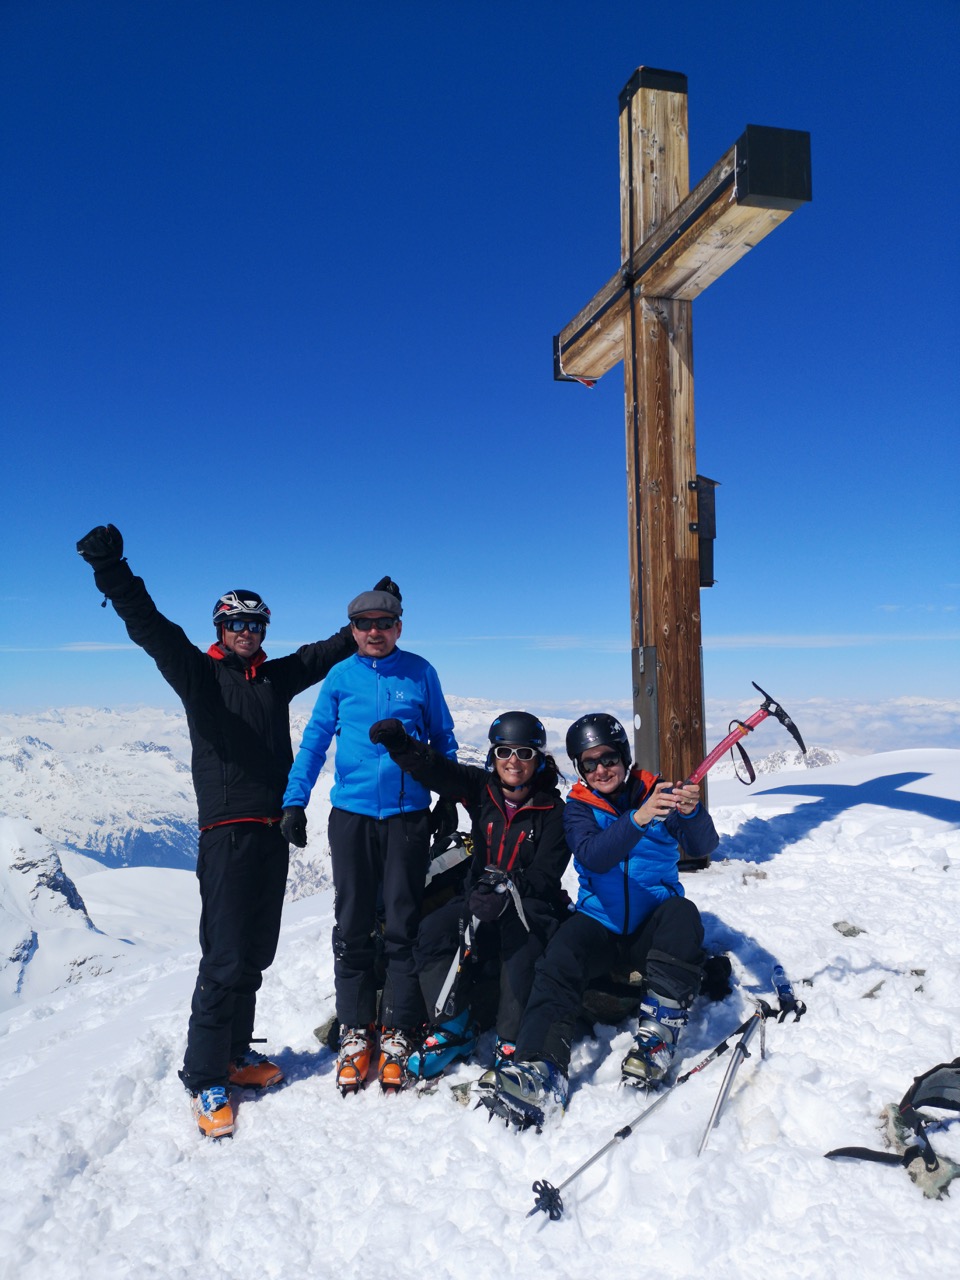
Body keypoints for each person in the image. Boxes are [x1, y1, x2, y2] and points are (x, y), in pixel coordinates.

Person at [75, 522, 387, 1139]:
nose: (247, 632)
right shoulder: (199, 675)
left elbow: (323, 653)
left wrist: (369, 616)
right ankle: (204, 1076)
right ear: (220, 629)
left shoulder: (272, 678)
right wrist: (112, 571)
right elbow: (150, 627)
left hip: (273, 832)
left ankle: (235, 1054)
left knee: (255, 954)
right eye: (236, 623)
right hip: (226, 834)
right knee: (223, 957)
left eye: (255, 624)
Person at [479, 712, 718, 1130]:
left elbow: (703, 844)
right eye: (589, 763)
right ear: (579, 768)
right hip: (599, 923)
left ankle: (656, 1041)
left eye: (608, 758)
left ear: (624, 757)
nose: (601, 769)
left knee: (683, 914)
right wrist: (639, 818)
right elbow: (594, 856)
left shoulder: (659, 793)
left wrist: (691, 811)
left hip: (651, 924)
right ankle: (539, 1066)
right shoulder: (578, 808)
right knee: (560, 955)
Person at [280, 585, 457, 1094]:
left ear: (399, 626)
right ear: (353, 630)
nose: (374, 631)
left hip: (407, 818)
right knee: (353, 925)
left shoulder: (420, 672)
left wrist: (448, 796)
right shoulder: (340, 676)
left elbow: (443, 738)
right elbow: (314, 742)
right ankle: (356, 1030)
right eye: (364, 624)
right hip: (352, 818)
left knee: (403, 924)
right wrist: (295, 800)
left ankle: (398, 1030)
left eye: (384, 622)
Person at [367, 711, 571, 1082]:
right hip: (477, 901)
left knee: (521, 946)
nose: (513, 761)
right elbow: (437, 770)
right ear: (493, 756)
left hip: (529, 909)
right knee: (432, 931)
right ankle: (453, 1027)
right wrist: (402, 746)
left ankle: (510, 1041)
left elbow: (545, 875)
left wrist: (508, 890)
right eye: (504, 752)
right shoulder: (482, 789)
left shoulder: (554, 812)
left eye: (524, 753)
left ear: (539, 759)